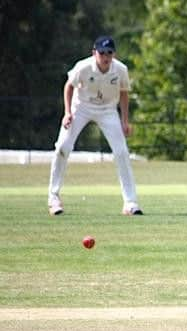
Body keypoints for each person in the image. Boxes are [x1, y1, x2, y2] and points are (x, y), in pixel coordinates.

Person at [47, 36, 143, 216]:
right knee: (62, 147)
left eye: (109, 53)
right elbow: (69, 86)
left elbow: (123, 93)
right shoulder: (83, 67)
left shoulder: (120, 69)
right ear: (94, 53)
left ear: (114, 54)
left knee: (122, 152)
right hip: (81, 107)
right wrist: (67, 112)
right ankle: (53, 198)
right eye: (102, 53)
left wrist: (124, 121)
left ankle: (130, 203)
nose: (105, 57)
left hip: (107, 110)